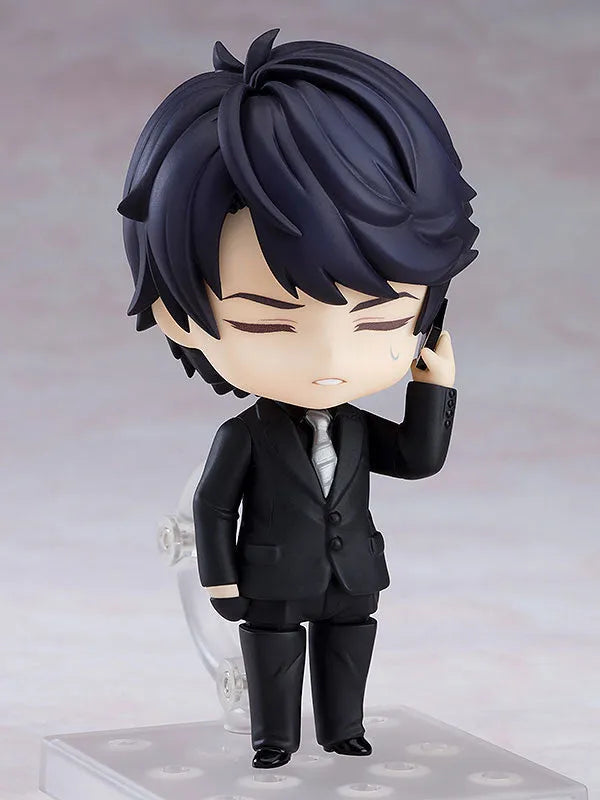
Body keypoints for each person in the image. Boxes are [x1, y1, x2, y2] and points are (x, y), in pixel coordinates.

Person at [117, 28, 479, 770]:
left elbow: (417, 459)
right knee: (273, 657)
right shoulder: (244, 435)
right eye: (267, 322)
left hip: (351, 577)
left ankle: (345, 729)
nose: (330, 361)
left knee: (349, 647)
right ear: (177, 316)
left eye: (377, 321)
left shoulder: (356, 428)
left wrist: (433, 386)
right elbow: (213, 505)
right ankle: (274, 738)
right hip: (272, 579)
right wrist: (221, 579)